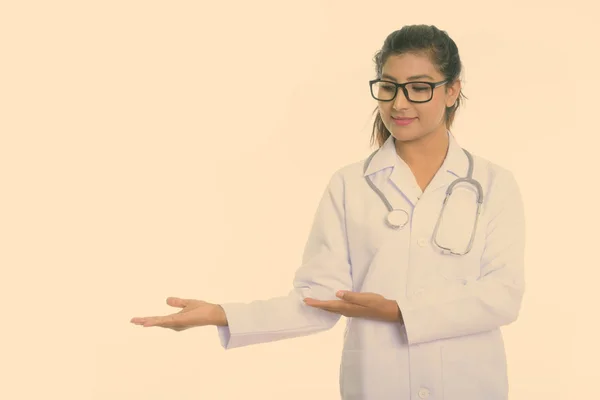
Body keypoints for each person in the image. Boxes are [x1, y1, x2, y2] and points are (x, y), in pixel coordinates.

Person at [130, 24, 526, 400]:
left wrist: (397, 311)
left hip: (470, 381)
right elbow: (321, 300)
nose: (399, 103)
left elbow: (501, 296)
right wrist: (221, 314)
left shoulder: (492, 184)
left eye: (419, 88)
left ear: (452, 91)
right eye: (388, 87)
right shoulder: (350, 184)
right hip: (377, 381)